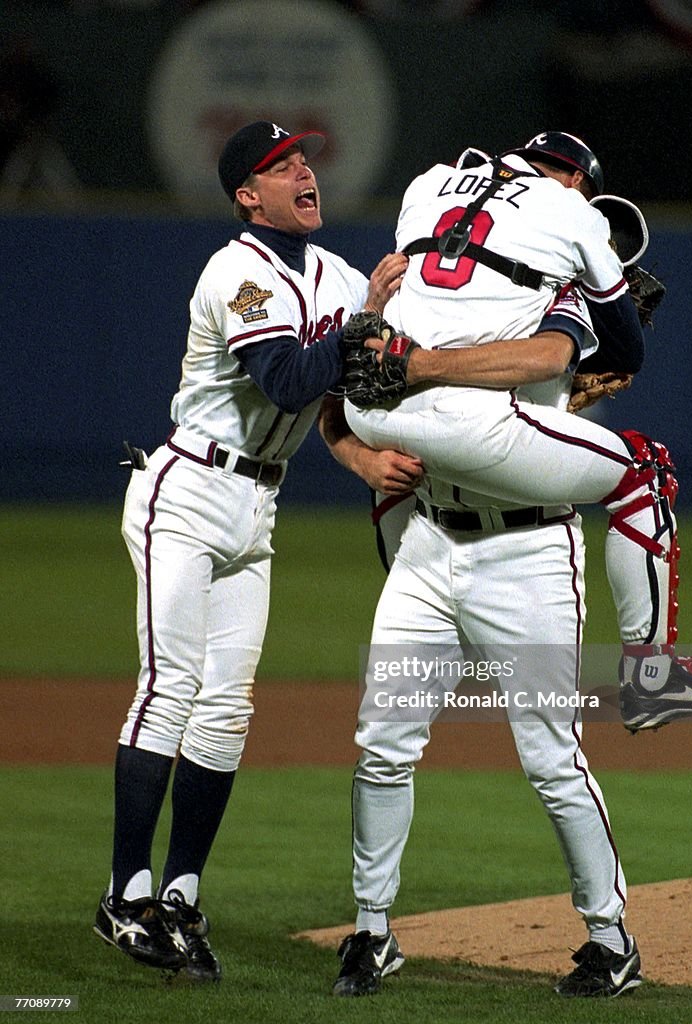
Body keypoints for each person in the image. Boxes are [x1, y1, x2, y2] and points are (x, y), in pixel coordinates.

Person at [320, 132, 692, 998]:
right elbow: (561, 354)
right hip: (443, 537)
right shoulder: (535, 257)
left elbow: (544, 376)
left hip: (518, 549)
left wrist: (577, 382)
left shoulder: (461, 229)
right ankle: (370, 931)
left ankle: (608, 939)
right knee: (388, 743)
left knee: (535, 755)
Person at [93, 119, 419, 982]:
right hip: (188, 490)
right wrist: (371, 323)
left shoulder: (337, 276)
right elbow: (287, 378)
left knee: (228, 709)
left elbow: (389, 350)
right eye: (283, 165)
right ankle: (123, 899)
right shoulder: (236, 269)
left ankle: (180, 898)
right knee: (169, 690)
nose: (305, 170)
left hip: (256, 504)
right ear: (249, 195)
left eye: (307, 157)